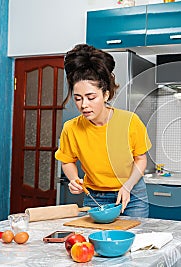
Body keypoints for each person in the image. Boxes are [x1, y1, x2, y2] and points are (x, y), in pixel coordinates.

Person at [55, 44, 152, 217]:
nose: (84, 105)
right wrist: (74, 180)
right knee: (94, 241)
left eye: (91, 97)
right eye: (78, 98)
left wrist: (127, 186)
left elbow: (140, 159)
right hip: (94, 197)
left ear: (106, 94)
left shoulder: (130, 122)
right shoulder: (71, 128)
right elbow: (67, 161)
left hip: (132, 195)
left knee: (134, 240)